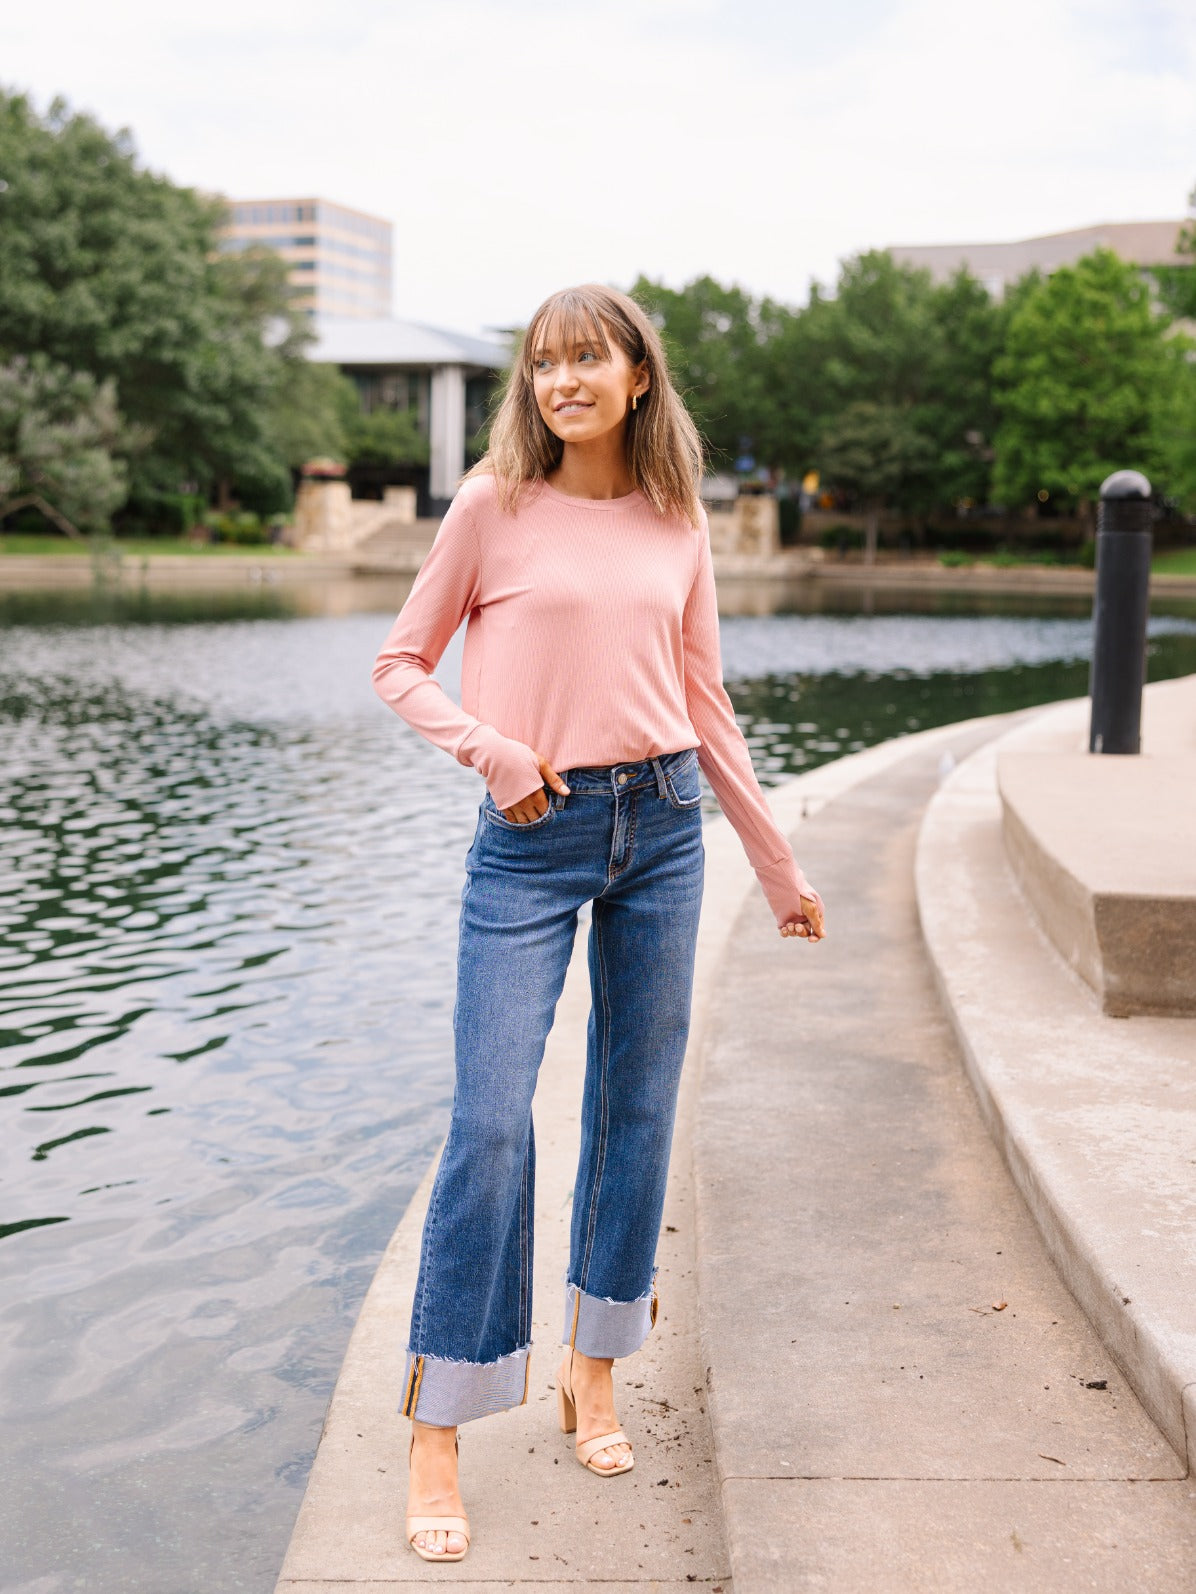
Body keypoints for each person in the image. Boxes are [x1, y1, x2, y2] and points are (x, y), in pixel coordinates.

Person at [371, 283, 826, 1564]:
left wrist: (775, 863)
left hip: (664, 825)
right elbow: (399, 663)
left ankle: (594, 1370)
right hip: (528, 832)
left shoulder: (677, 520)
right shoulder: (489, 505)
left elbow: (704, 698)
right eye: (542, 362)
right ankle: (440, 1423)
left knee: (633, 1110)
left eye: (588, 358)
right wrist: (492, 749)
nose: (561, 378)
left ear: (637, 376)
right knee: (487, 1124)